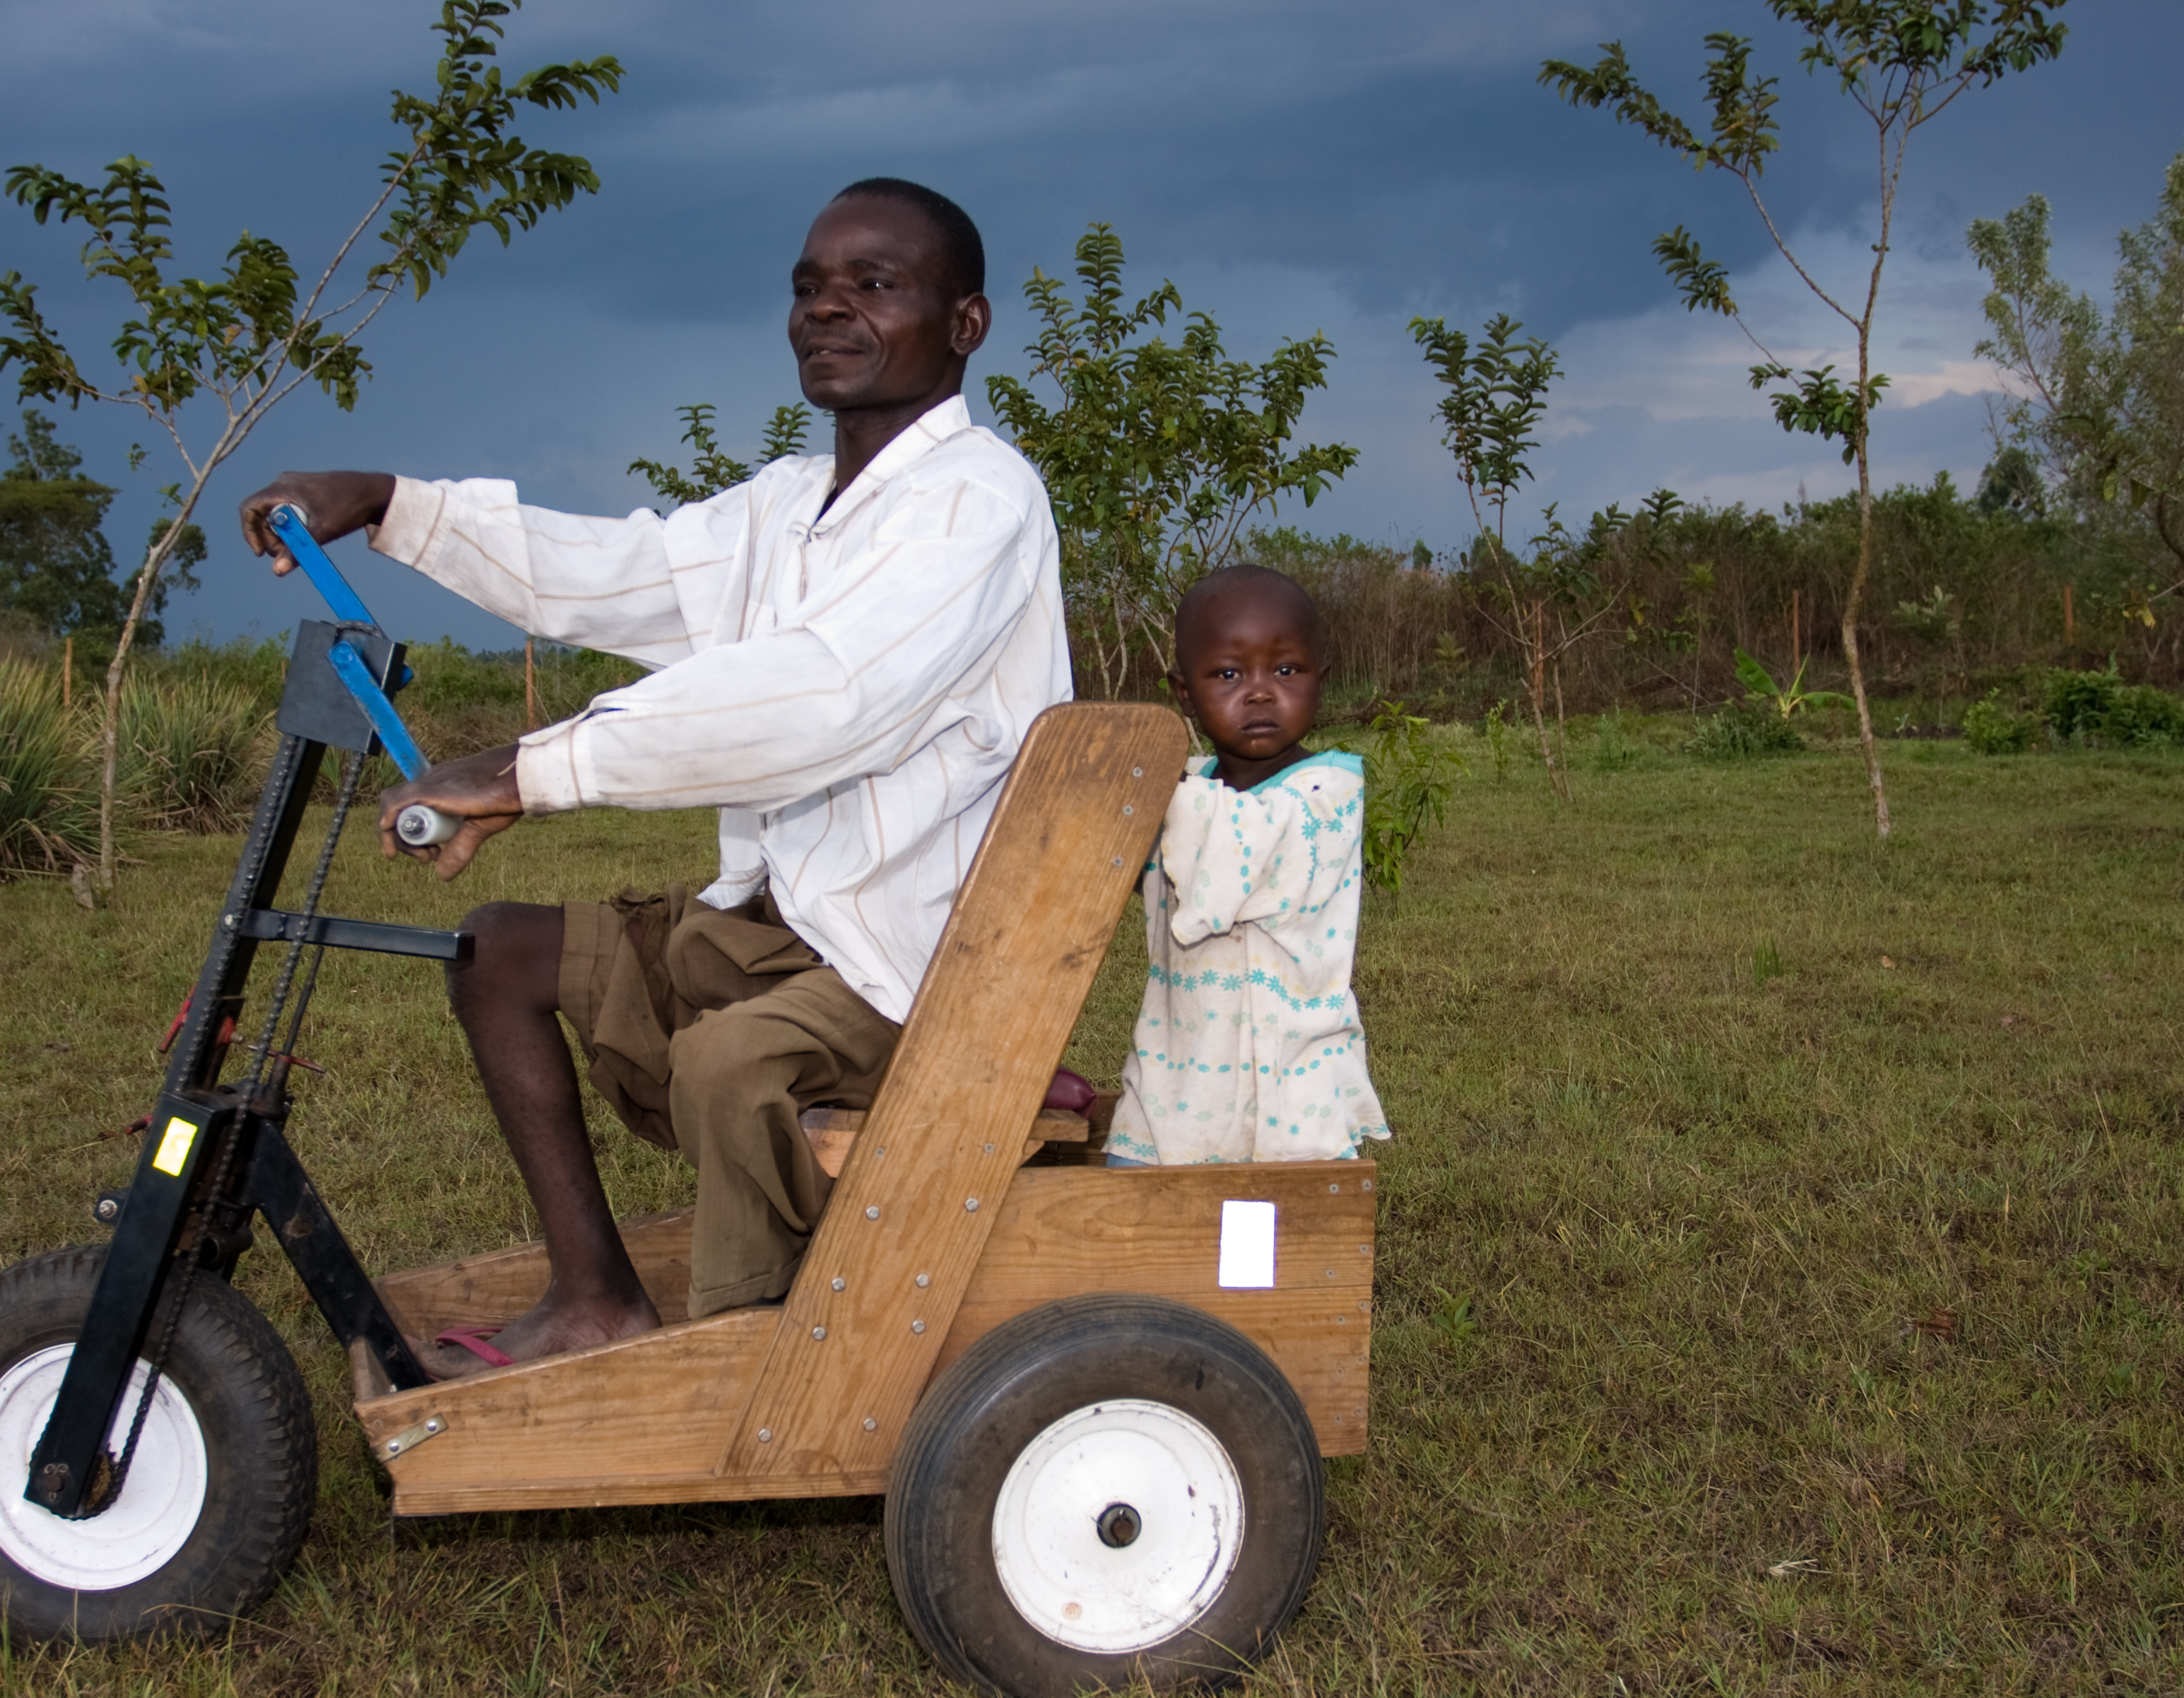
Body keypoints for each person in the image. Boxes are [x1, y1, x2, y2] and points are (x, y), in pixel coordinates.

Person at [237, 179, 1070, 1371]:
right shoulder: (792, 502)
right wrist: (388, 504)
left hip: (913, 963)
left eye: (874, 285)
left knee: (731, 1064)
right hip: (783, 930)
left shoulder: (978, 500)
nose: (826, 310)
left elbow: (821, 695)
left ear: (965, 324)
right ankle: (598, 1301)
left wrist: (529, 767)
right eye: (807, 286)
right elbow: (610, 573)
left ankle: (748, 1359)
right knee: (499, 955)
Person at [1104, 566, 1389, 1167]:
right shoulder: (1183, 793)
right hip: (1179, 1077)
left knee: (1281, 1252)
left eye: (1286, 670)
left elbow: (1246, 846)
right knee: (1133, 1236)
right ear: (1184, 693)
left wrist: (1140, 784)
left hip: (1295, 1088)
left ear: (1321, 680)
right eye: (1229, 674)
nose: (1260, 692)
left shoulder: (1327, 791)